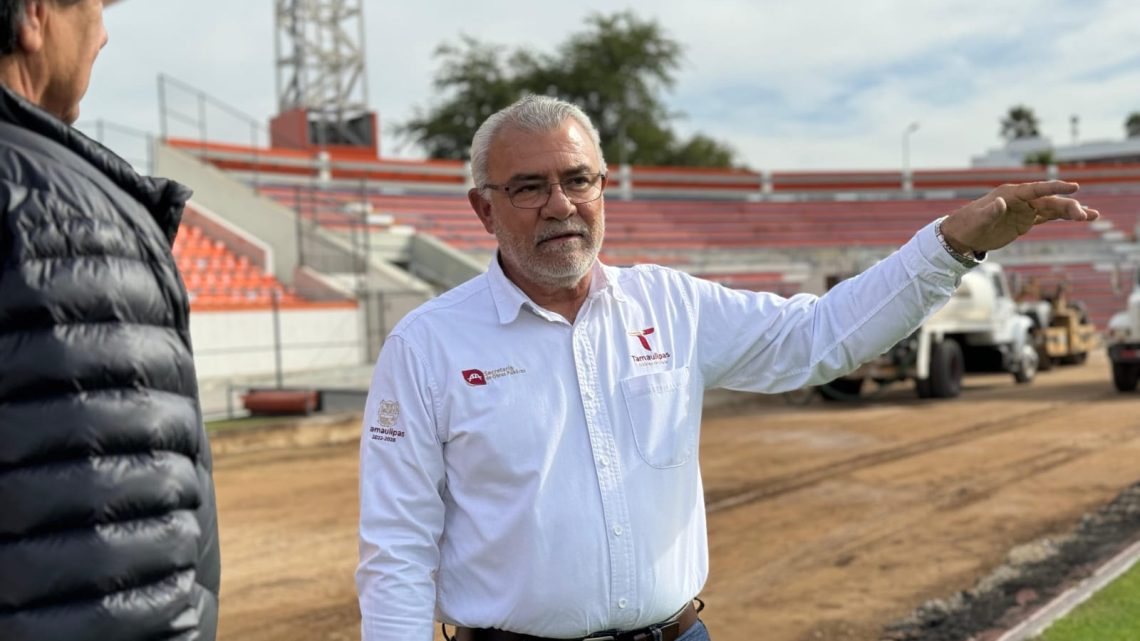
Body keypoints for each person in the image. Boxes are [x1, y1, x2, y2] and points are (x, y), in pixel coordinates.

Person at [355, 95, 1097, 641]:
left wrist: (948, 247)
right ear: (483, 210)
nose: (562, 204)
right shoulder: (429, 346)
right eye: (529, 187)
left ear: (603, 188)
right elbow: (397, 550)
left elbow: (821, 337)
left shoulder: (671, 304)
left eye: (579, 179)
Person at [0, 2, 220, 640]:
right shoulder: (62, 221)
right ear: (36, 17)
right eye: (95, 7)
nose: (103, 33)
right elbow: (117, 571)